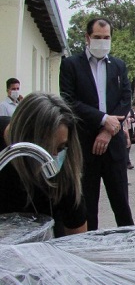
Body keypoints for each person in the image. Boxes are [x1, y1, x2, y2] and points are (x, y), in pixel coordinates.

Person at [59, 17, 134, 230]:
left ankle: (131, 247)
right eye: (97, 37)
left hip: (114, 144)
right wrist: (102, 119)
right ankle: (92, 252)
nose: (102, 41)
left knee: (122, 205)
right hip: (84, 146)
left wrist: (108, 131)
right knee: (88, 206)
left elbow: (125, 100)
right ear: (87, 37)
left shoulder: (118, 66)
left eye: (106, 37)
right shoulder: (71, 65)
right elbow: (68, 101)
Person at [0, 92, 87, 237]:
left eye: (60, 148)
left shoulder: (63, 172)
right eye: (46, 148)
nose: (52, 158)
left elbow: (77, 235)